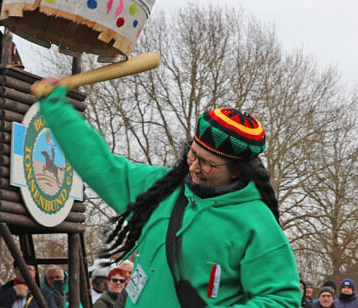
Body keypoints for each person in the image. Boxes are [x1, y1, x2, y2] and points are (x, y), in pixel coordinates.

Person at [36, 84, 302, 307]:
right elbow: (99, 164)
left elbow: (282, 299)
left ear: (237, 171)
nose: (194, 166)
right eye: (192, 153)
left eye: (208, 163)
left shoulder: (258, 223)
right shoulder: (159, 188)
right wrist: (57, 108)